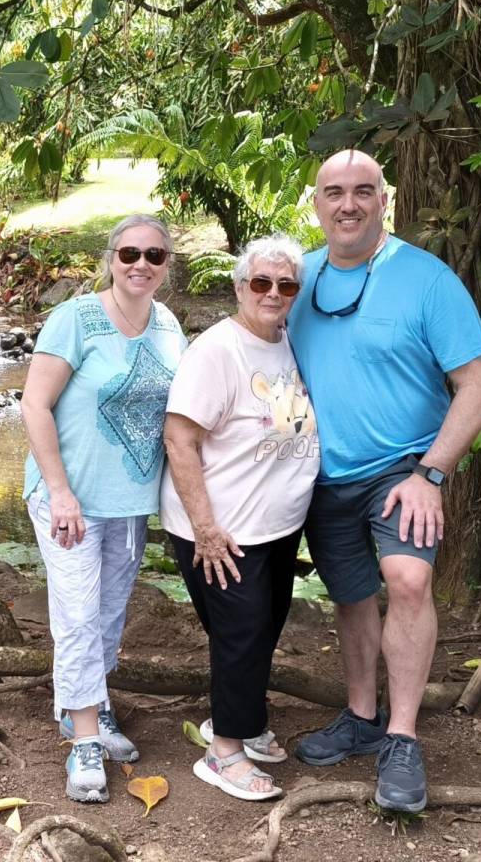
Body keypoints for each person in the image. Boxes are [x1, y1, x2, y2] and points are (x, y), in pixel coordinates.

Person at [286, 150, 481, 813]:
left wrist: (432, 473)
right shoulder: (298, 279)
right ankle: (361, 716)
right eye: (334, 192)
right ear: (316, 204)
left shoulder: (427, 279)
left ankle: (402, 739)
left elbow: (479, 384)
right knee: (351, 596)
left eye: (363, 191)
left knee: (407, 581)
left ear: (385, 200)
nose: (348, 204)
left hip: (404, 470)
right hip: (322, 476)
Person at [21, 213, 186, 803]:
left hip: (130, 504)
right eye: (129, 253)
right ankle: (85, 740)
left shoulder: (168, 325)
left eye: (154, 255)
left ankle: (85, 704)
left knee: (109, 615)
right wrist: (60, 491)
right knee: (77, 614)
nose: (141, 264)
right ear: (111, 258)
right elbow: (34, 404)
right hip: (69, 499)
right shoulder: (75, 318)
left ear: (167, 266)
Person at [162, 235, 318, 802]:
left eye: (285, 284)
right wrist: (206, 529)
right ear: (239, 287)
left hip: (276, 526)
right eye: (261, 282)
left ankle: (243, 721)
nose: (273, 293)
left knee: (264, 627)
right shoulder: (217, 351)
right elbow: (179, 440)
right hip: (222, 529)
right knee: (242, 632)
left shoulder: (286, 342)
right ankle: (223, 751)